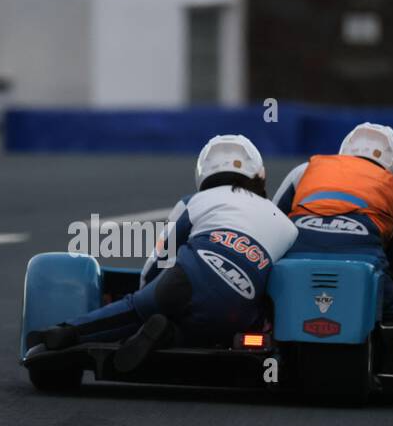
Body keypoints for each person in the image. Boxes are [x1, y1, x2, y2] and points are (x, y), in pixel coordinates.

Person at [28, 134, 297, 372]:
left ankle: (66, 333)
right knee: (216, 332)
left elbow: (158, 262)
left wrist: (146, 299)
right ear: (259, 175)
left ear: (203, 174)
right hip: (239, 302)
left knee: (134, 311)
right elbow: (282, 282)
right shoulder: (286, 226)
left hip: (187, 278)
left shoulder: (196, 201)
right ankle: (169, 334)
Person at [271, 122, 393, 321]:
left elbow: (272, 221)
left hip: (297, 258)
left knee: (268, 304)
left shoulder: (306, 169)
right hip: (362, 265)